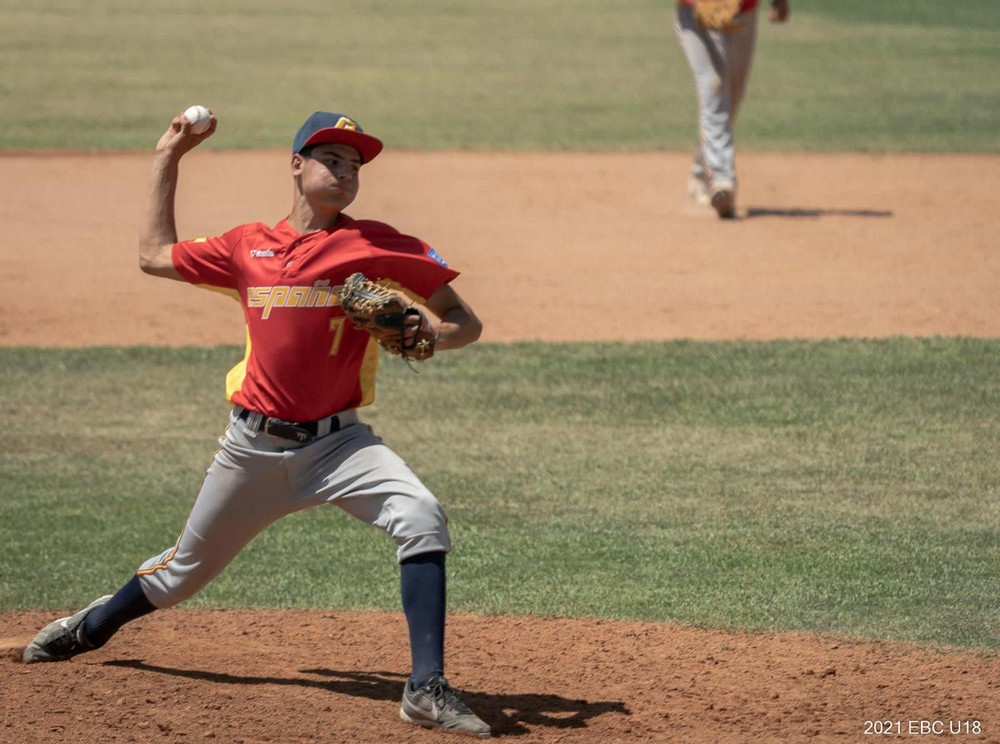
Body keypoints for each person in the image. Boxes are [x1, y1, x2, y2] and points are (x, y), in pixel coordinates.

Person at [21, 109, 491, 738]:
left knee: (422, 516)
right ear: (296, 165)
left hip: (341, 445)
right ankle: (93, 627)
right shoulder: (249, 247)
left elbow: (465, 319)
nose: (346, 172)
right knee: (182, 573)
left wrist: (429, 335)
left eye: (355, 166)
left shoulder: (376, 245)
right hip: (251, 449)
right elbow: (154, 255)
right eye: (333, 159)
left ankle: (425, 688)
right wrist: (170, 156)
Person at [676, 0, 790, 218]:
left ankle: (701, 172)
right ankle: (722, 179)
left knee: (732, 97)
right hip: (696, 12)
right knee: (714, 86)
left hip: (743, 12)